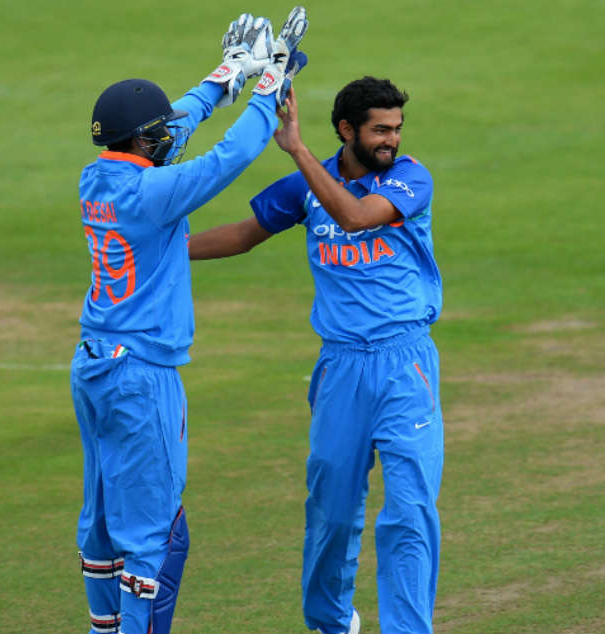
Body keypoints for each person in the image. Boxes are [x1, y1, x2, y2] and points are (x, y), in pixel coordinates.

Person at [69, 9, 309, 634]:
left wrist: (223, 77)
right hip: (141, 377)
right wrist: (269, 86)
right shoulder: (155, 194)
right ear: (143, 143)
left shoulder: (96, 177)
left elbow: (167, 128)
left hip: (93, 365)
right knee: (157, 537)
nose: (164, 139)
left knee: (102, 523)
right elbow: (233, 155)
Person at [189, 77, 444, 634]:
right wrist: (164, 252)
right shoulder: (306, 188)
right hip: (341, 367)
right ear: (347, 130)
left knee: (410, 509)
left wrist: (297, 149)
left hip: (405, 365)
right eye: (380, 130)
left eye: (396, 129)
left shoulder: (409, 178)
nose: (392, 140)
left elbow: (355, 217)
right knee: (331, 507)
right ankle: (332, 621)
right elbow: (243, 235)